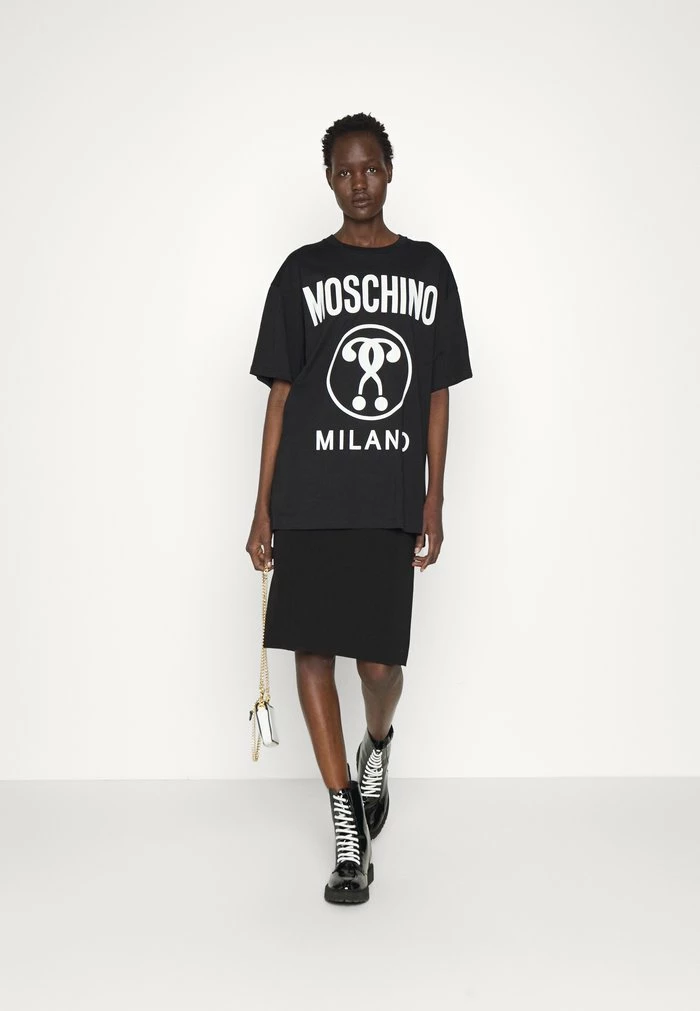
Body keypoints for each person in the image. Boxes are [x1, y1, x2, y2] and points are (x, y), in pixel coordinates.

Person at [246, 112, 473, 904]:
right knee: (312, 652)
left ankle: (377, 742)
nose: (358, 183)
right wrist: (261, 507)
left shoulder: (428, 269)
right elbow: (281, 395)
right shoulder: (301, 272)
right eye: (343, 171)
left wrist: (434, 493)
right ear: (329, 180)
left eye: (369, 167)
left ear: (389, 169)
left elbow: (437, 391)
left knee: (378, 663)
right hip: (307, 493)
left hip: (386, 493)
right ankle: (347, 822)